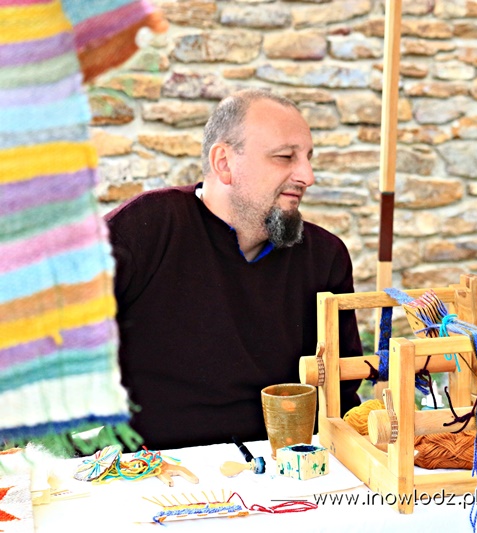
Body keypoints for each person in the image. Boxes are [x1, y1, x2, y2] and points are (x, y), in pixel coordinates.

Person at [105, 88, 363, 451]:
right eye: (285, 157)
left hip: (285, 468)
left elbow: (340, 389)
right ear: (224, 163)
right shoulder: (144, 230)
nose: (307, 175)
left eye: (308, 158)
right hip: (148, 470)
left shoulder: (324, 256)